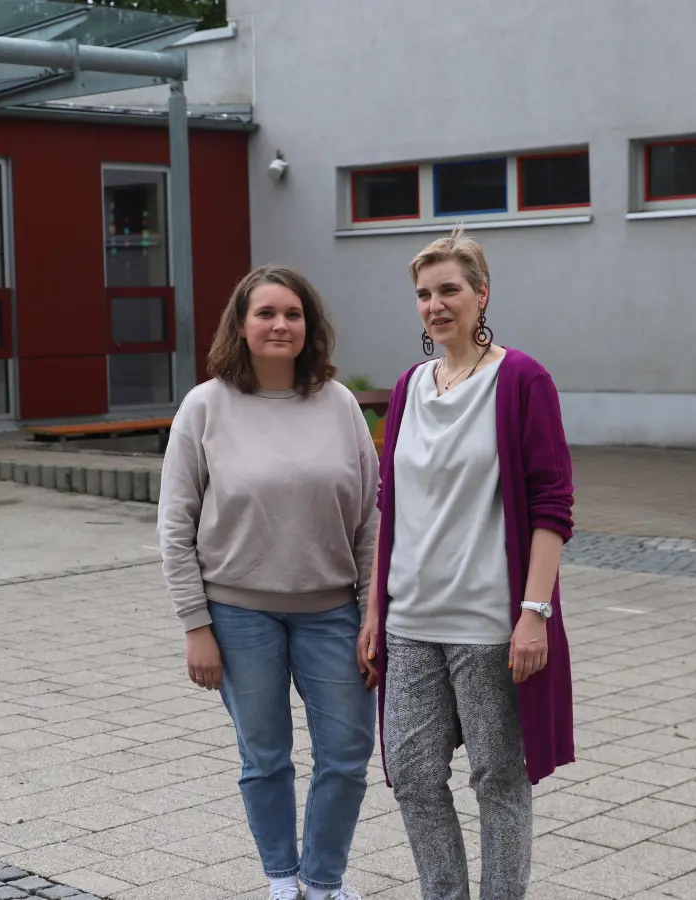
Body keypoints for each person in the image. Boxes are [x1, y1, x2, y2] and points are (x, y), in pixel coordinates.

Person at [357, 229, 576, 900]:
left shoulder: (522, 381)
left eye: (450, 289)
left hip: (488, 625)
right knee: (415, 778)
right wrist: (373, 609)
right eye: (424, 294)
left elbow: (552, 505)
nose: (436, 305)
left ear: (483, 294)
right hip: (410, 622)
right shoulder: (408, 387)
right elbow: (390, 505)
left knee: (498, 779)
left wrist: (532, 614)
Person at [158, 265, 380, 900]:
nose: (281, 324)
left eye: (293, 314)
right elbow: (175, 524)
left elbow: (370, 519)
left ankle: (324, 880)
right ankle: (283, 877)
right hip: (237, 615)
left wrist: (372, 614)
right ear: (242, 324)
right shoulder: (204, 407)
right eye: (266, 313)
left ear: (310, 326)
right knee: (266, 758)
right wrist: (195, 627)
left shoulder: (338, 405)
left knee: (345, 753)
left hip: (334, 612)